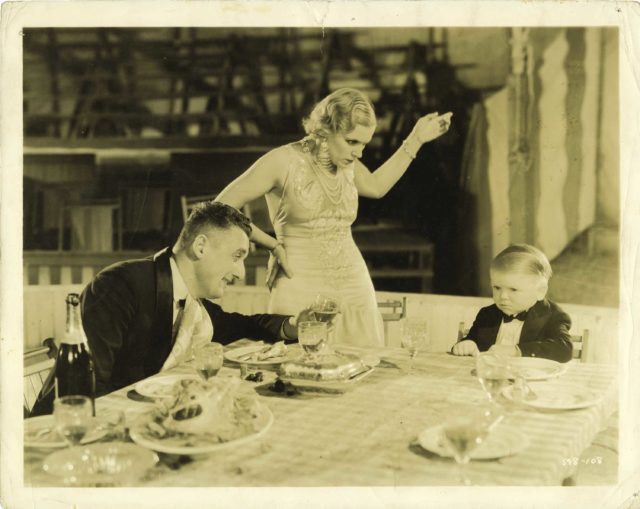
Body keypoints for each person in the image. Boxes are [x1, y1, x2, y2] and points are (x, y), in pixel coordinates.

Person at [215, 88, 452, 347]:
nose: (359, 153)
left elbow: (376, 186)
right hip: (299, 278)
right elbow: (220, 207)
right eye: (352, 142)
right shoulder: (282, 161)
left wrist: (416, 139)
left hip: (353, 280)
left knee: (361, 364)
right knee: (297, 367)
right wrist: (271, 244)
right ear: (325, 130)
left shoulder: (347, 164)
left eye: (364, 143)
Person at [30, 202, 307, 415]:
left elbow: (243, 325)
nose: (241, 272)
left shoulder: (191, 301)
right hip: (66, 430)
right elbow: (85, 386)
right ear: (200, 246)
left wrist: (292, 325)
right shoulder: (121, 284)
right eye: (237, 257)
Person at [451, 244, 573, 363]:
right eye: (497, 288)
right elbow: (472, 341)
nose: (503, 296)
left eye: (513, 289)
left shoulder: (552, 316)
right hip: (489, 379)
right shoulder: (487, 314)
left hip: (531, 380)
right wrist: (467, 344)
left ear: (540, 291)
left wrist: (517, 351)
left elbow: (564, 350)